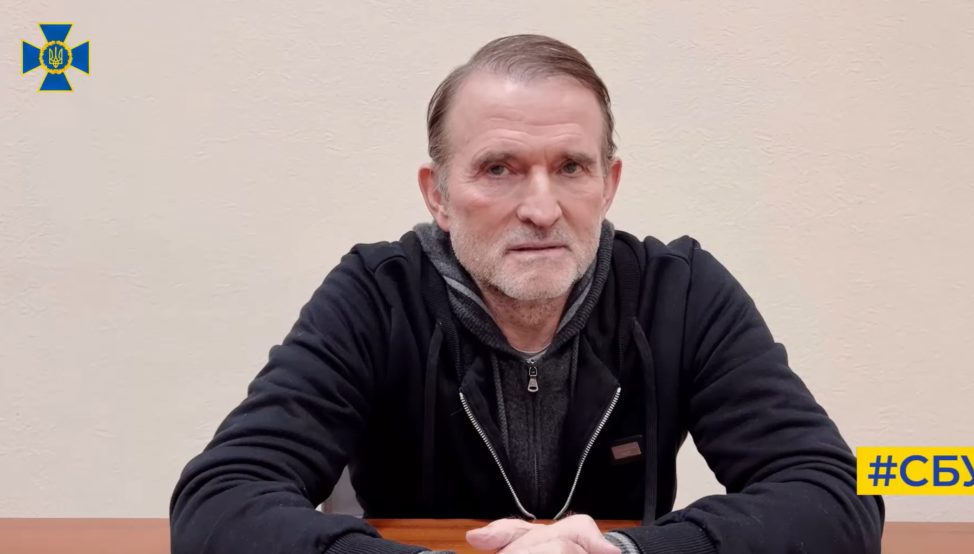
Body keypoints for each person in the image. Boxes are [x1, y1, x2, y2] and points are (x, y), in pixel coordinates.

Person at [170, 34, 884, 554]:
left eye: (571, 167)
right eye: (499, 169)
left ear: (608, 185)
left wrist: (628, 553)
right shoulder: (377, 295)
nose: (542, 209)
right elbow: (221, 500)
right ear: (438, 195)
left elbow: (831, 493)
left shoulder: (680, 292)